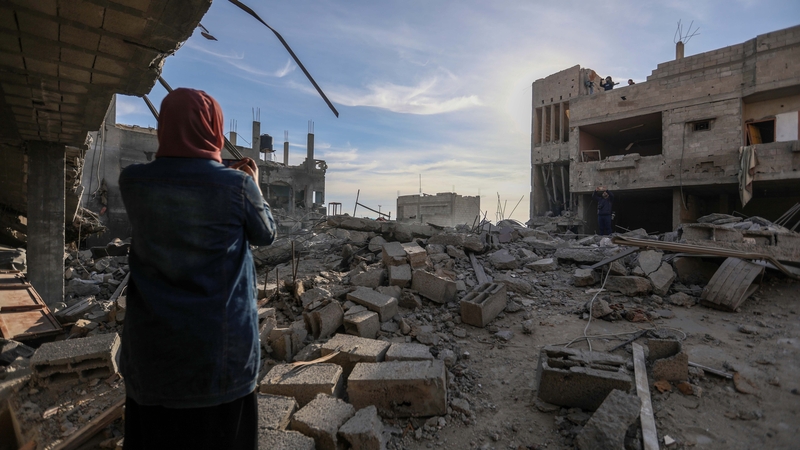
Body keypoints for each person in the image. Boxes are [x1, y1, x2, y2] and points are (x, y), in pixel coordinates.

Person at [119, 88, 276, 450]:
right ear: (214, 129)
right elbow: (265, 233)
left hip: (152, 360)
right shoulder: (237, 187)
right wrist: (252, 184)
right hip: (219, 361)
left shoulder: (134, 181)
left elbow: (183, 186)